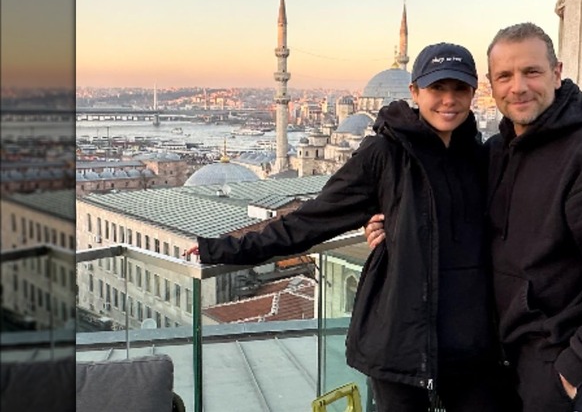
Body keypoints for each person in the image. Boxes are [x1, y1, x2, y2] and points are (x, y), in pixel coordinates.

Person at [185, 43, 510, 412]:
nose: (448, 100)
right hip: (399, 341)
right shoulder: (385, 154)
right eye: (437, 89)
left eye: (459, 89)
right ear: (416, 92)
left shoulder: (483, 156)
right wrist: (221, 249)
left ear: (473, 93)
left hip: (470, 343)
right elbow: (311, 220)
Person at [367, 22, 582, 412]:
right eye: (505, 76)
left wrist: (574, 370)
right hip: (493, 362)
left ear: (557, 73)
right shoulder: (496, 153)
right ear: (490, 85)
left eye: (532, 72)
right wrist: (397, 228)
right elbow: (459, 221)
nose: (518, 87)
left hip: (551, 369)